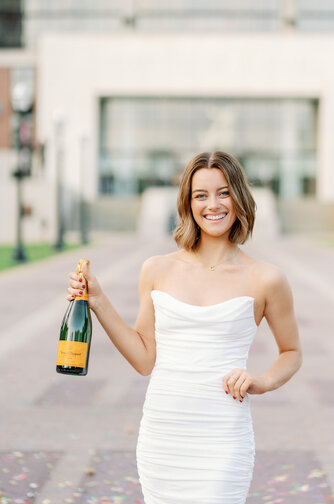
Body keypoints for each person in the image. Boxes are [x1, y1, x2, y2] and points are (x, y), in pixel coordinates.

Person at [67, 150, 302, 504]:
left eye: (224, 192)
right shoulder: (157, 269)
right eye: (200, 195)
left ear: (239, 196)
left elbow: (292, 352)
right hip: (164, 436)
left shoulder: (266, 279)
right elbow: (145, 360)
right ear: (188, 204)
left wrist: (262, 381)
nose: (213, 204)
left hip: (224, 436)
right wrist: (98, 300)